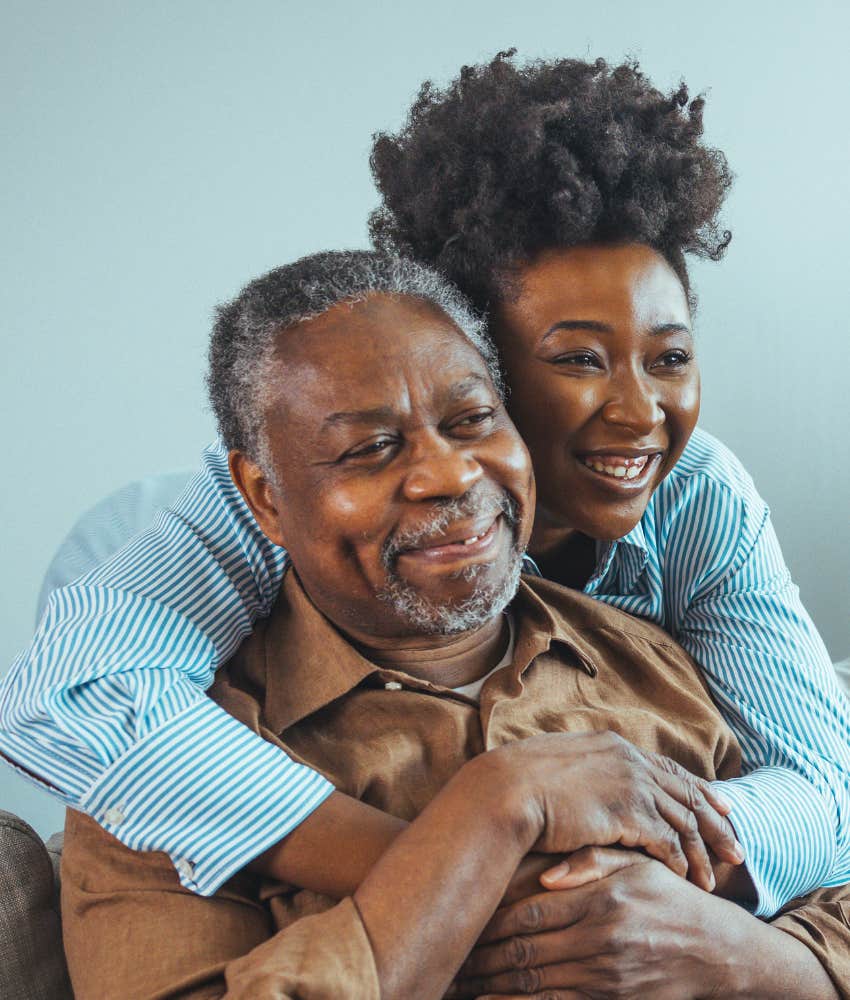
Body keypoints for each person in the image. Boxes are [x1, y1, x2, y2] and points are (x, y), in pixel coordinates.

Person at [2, 54, 848, 918]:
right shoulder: (274, 505)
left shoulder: (699, 492)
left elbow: (825, 789)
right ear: (471, 362)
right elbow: (73, 692)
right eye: (578, 361)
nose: (641, 414)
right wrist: (460, 866)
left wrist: (629, 877)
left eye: (670, 359)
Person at [61, 250, 845, 1000]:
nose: (448, 474)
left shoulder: (659, 654)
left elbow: (830, 829)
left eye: (472, 419)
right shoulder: (157, 773)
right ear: (264, 498)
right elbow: (70, 690)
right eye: (370, 448)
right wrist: (495, 811)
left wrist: (731, 952)